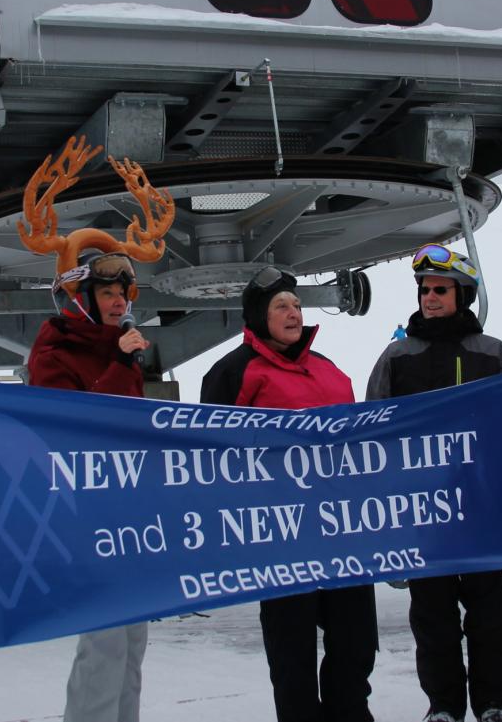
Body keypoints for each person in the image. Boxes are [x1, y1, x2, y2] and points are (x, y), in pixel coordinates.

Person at [201, 268, 377, 722]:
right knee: (292, 649)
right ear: (259, 315)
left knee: (355, 640)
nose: (294, 312)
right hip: (281, 535)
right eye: (281, 306)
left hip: (341, 530)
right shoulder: (233, 372)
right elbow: (210, 456)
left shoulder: (329, 369)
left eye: (297, 305)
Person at [365, 245, 502, 722]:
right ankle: (443, 706)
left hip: (482, 506)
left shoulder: (492, 352)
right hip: (423, 510)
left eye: (440, 290)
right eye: (425, 290)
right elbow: (373, 428)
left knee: (490, 610)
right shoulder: (397, 356)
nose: (430, 298)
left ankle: (493, 703)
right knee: (432, 614)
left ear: (462, 295)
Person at [27, 248, 151, 722]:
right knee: (104, 645)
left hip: (129, 515)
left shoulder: (118, 351)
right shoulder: (54, 355)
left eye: (122, 293)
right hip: (87, 518)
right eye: (107, 293)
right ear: (80, 299)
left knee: (132, 645)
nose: (119, 302)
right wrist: (119, 364)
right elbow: (75, 428)